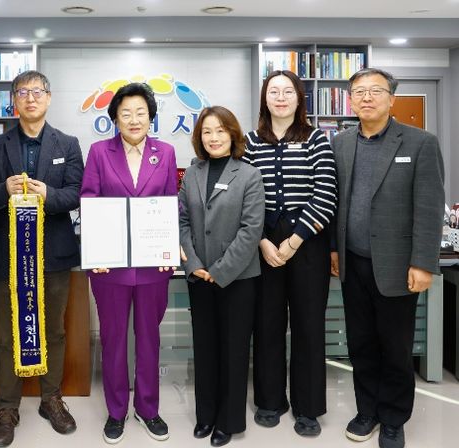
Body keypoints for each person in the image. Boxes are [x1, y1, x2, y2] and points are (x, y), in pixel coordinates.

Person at [331, 68, 444, 448]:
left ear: (391, 99)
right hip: (353, 263)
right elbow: (335, 202)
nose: (367, 98)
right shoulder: (340, 144)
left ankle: (394, 418)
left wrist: (423, 263)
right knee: (361, 344)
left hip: (398, 265)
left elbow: (429, 207)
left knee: (396, 348)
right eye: (359, 92)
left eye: (375, 91)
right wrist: (334, 249)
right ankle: (367, 412)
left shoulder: (420, 143)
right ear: (350, 100)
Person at [0, 70, 84, 447]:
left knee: (54, 330)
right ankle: (8, 407)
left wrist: (48, 194)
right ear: (14, 101)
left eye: (37, 91)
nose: (31, 98)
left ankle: (51, 399)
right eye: (22, 92)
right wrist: (3, 190)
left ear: (48, 97)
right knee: (8, 335)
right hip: (9, 256)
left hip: (53, 255)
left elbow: (77, 193)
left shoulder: (68, 144)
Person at [80, 82, 177, 444]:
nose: (134, 119)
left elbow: (171, 203)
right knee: (113, 339)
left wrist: (168, 248)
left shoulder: (165, 152)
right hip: (111, 266)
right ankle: (116, 410)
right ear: (115, 119)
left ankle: (148, 408)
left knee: (149, 338)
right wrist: (97, 252)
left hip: (153, 266)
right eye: (126, 113)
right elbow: (89, 201)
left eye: (141, 113)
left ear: (151, 118)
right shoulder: (99, 152)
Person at [243, 69, 337, 436]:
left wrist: (295, 240)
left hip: (308, 241)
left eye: (288, 92)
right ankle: (270, 401)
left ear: (299, 98)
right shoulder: (250, 142)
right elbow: (243, 196)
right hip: (263, 241)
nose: (280, 98)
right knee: (266, 324)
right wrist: (262, 240)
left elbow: (326, 194)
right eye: (273, 92)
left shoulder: (317, 140)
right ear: (264, 99)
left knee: (308, 327)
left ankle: (307, 407)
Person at [179, 106, 265, 447]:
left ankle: (228, 422)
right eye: (206, 132)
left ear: (232, 134)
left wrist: (220, 270)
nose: (213, 138)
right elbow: (183, 222)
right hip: (199, 276)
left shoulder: (249, 175)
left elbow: (251, 230)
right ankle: (206, 415)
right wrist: (194, 264)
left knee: (233, 351)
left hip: (237, 279)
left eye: (219, 131)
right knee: (205, 349)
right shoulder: (192, 173)